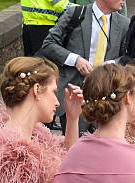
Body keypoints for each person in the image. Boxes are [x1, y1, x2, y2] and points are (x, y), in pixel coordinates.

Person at [39, 0, 129, 133]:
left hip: (107, 98)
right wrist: (75, 60)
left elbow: (128, 56)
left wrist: (112, 64)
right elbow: (49, 44)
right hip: (75, 93)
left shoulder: (124, 24)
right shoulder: (75, 14)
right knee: (74, 146)